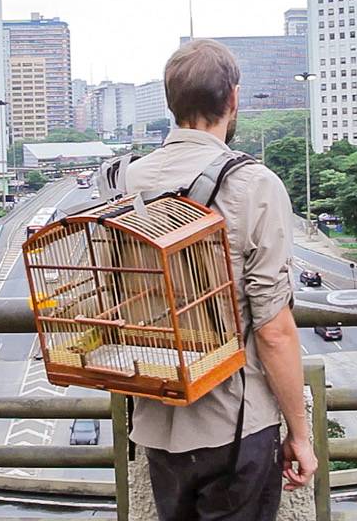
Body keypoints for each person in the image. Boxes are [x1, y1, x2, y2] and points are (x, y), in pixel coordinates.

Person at [124, 40, 317, 521]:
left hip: (157, 418)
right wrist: (300, 432)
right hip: (236, 424)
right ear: (233, 99)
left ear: (171, 104)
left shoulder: (128, 179)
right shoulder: (255, 185)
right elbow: (273, 330)